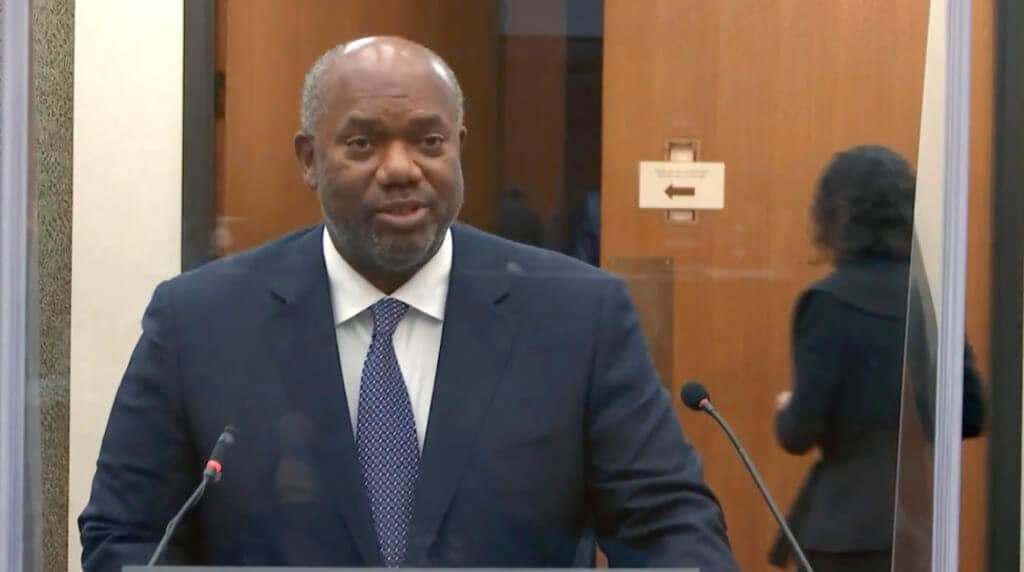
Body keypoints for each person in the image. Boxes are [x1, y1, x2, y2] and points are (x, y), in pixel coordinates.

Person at [79, 36, 738, 570]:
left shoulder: (578, 317)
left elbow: (670, 528)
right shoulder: (198, 321)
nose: (400, 168)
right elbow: (126, 536)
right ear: (310, 159)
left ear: (459, 149)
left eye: (428, 141)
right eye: (363, 143)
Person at [768, 145, 985, 572]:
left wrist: (785, 408)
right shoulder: (930, 298)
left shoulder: (826, 302)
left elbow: (798, 433)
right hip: (921, 528)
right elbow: (971, 414)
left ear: (833, 215)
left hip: (844, 532)